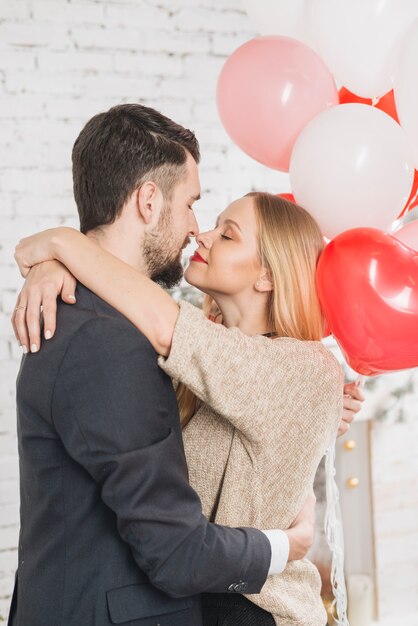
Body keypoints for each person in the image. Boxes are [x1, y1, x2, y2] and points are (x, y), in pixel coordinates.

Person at [13, 108, 363, 624]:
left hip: (253, 610)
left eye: (227, 234)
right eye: (197, 209)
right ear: (149, 201)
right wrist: (55, 259)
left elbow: (182, 335)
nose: (200, 233)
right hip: (190, 597)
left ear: (267, 275)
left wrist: (64, 245)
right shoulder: (145, 348)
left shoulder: (292, 369)